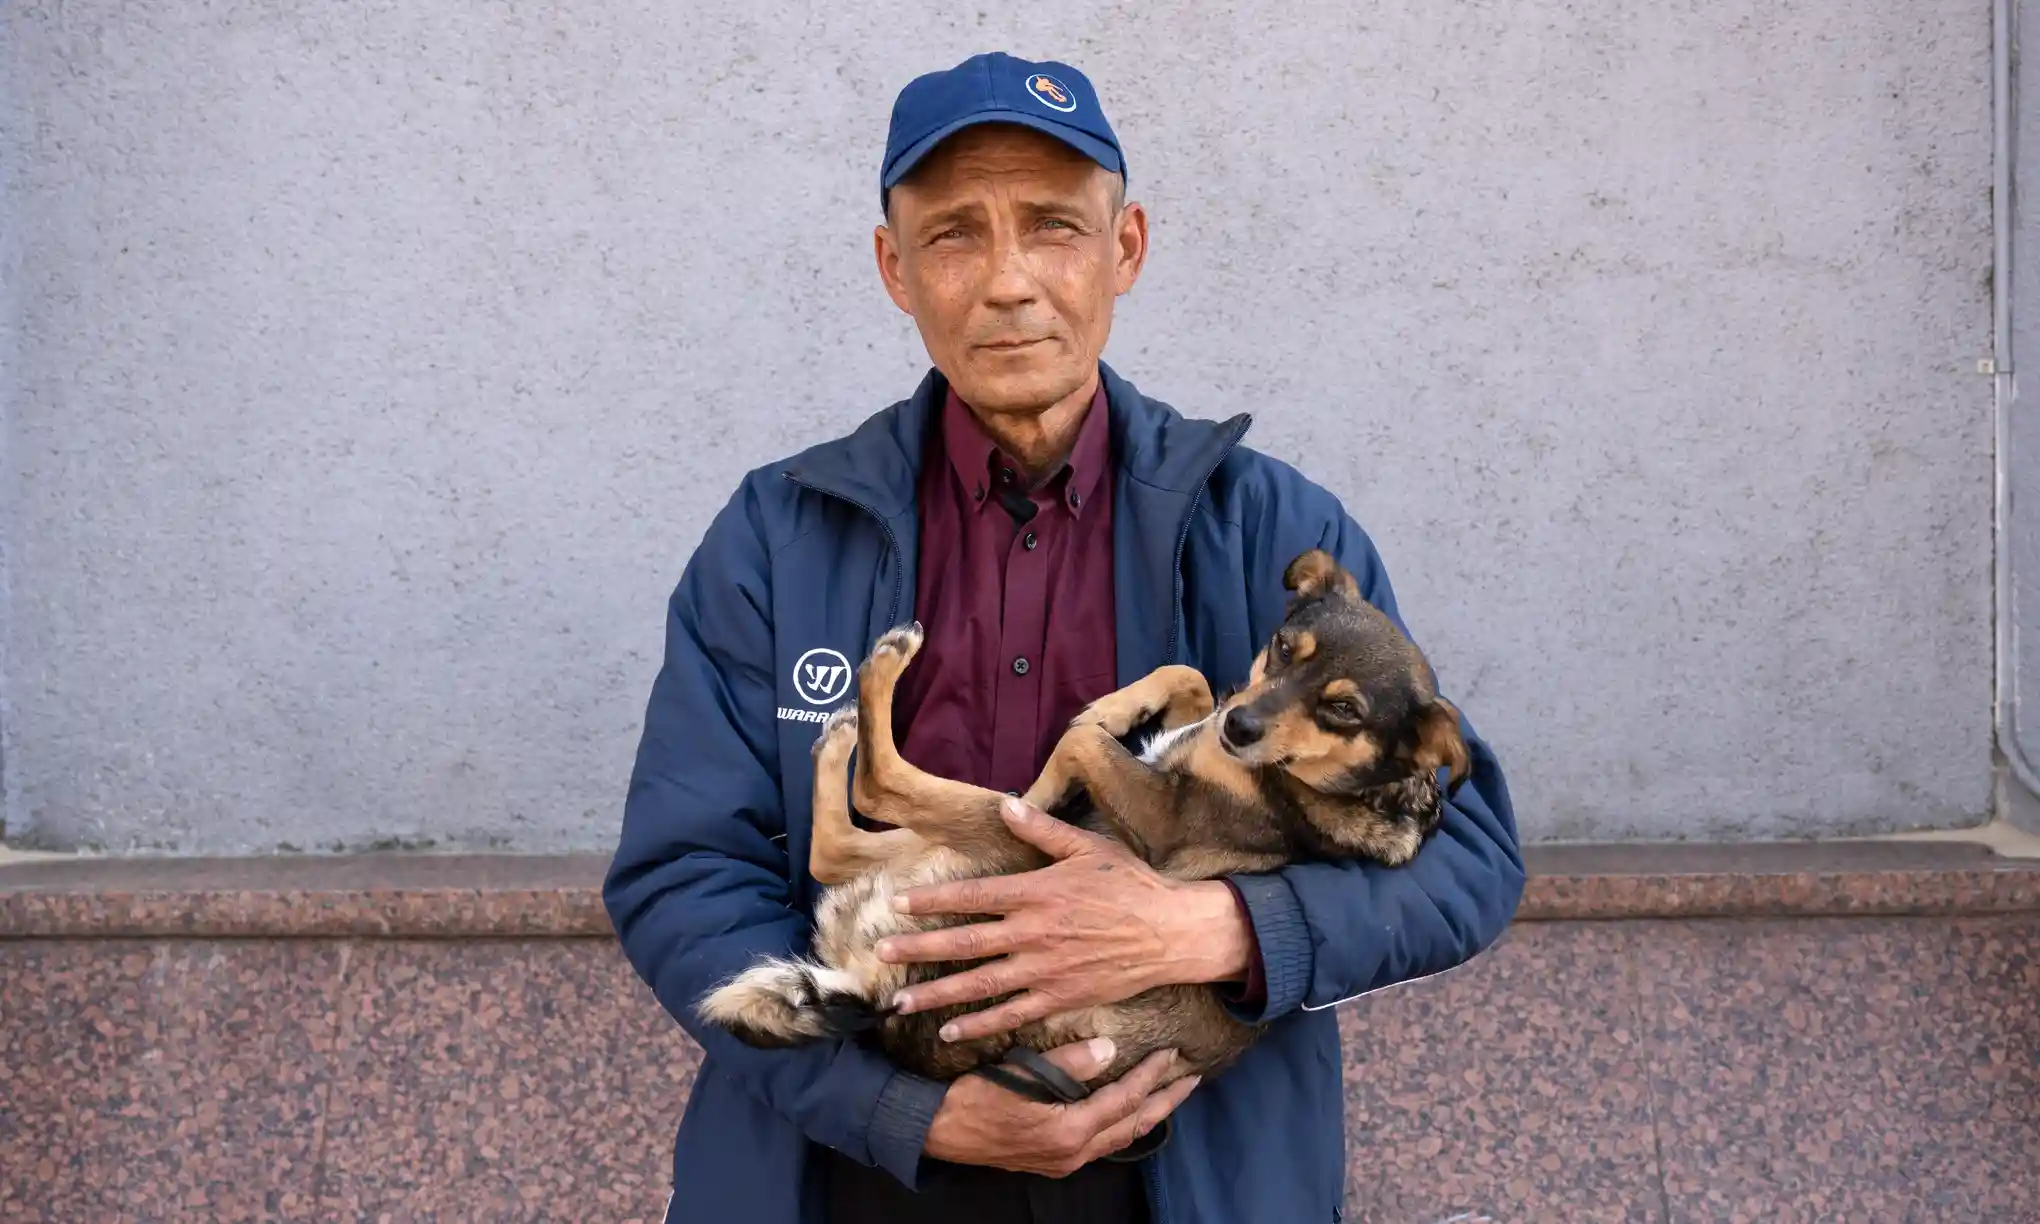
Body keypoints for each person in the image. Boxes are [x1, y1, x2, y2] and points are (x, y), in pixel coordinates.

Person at [603, 50, 1524, 1224]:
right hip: (849, 1164)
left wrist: (1215, 927)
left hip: (1181, 1178)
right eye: (953, 236)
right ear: (894, 268)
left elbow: (1471, 861)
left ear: (1125, 248)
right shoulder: (776, 540)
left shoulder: (1271, 530)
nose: (1007, 283)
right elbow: (682, 872)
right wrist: (905, 1114)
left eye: (1052, 227)